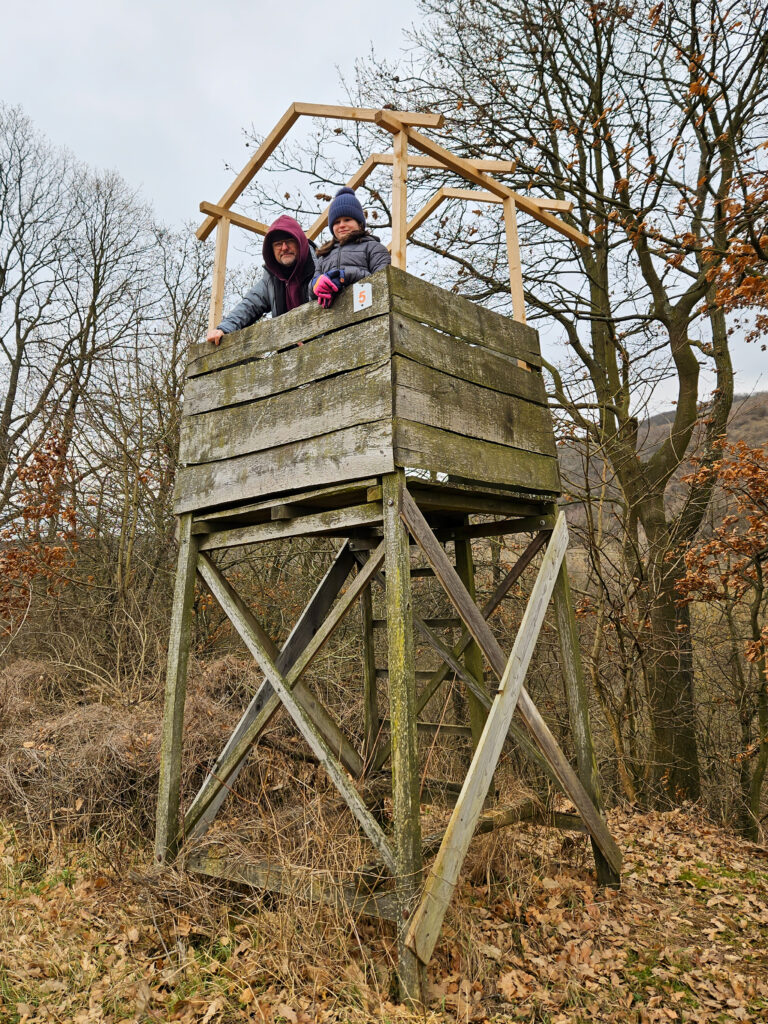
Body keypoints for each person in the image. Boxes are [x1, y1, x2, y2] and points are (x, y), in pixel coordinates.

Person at [206, 215, 316, 345]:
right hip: (289, 351)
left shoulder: (321, 265)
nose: (284, 247)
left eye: (289, 241)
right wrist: (224, 328)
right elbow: (250, 304)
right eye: (278, 244)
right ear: (271, 250)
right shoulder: (271, 279)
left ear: (300, 242)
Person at [309, 187, 391, 308]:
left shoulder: (374, 249)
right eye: (336, 222)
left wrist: (344, 276)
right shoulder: (324, 257)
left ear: (359, 223)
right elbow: (311, 295)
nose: (342, 225)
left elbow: (383, 282)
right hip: (331, 317)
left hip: (368, 313)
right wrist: (315, 284)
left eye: (347, 220)